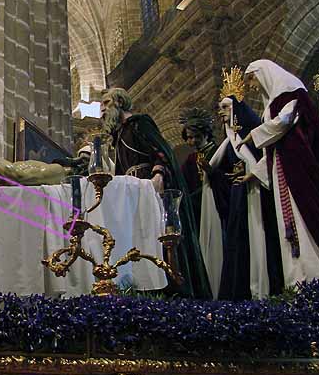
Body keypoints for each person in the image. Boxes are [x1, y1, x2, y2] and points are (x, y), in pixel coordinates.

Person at [235, 59, 319, 286]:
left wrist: (251, 136)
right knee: (288, 223)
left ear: (262, 73)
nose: (253, 86)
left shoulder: (291, 93)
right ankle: (298, 280)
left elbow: (283, 123)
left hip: (299, 168)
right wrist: (254, 173)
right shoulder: (273, 103)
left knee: (304, 219)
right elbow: (273, 151)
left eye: (252, 80)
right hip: (283, 170)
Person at [100, 88, 212, 299]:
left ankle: (172, 289)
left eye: (106, 103)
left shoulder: (139, 123)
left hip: (150, 189)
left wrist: (159, 174)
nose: (103, 110)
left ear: (120, 102)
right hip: (133, 194)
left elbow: (161, 152)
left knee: (161, 239)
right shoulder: (119, 135)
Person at [199, 92, 283, 300]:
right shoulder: (228, 142)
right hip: (238, 196)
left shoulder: (254, 135)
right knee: (238, 243)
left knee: (258, 239)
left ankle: (265, 288)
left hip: (256, 195)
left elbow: (265, 160)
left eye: (225, 107)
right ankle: (241, 291)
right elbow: (223, 175)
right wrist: (210, 172)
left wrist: (250, 175)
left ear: (238, 110)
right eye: (220, 108)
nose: (221, 112)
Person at [178, 107, 217, 227]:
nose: (193, 141)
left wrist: (212, 172)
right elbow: (181, 181)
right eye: (189, 137)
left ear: (206, 134)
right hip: (198, 209)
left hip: (215, 204)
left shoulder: (217, 151)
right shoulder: (191, 159)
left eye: (197, 136)